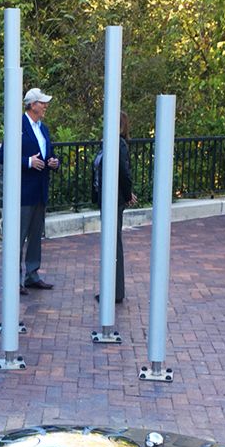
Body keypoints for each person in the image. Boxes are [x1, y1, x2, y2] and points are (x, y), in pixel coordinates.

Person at [0, 87, 60, 295]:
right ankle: (14, 280)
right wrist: (27, 162)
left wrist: (54, 162)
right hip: (23, 192)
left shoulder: (44, 129)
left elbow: (48, 154)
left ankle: (32, 275)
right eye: (42, 103)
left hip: (40, 191)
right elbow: (3, 157)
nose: (46, 106)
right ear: (32, 105)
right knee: (18, 237)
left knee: (35, 236)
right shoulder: (18, 126)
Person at [93, 110, 137, 304]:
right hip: (108, 199)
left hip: (114, 200)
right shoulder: (109, 143)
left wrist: (127, 195)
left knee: (113, 245)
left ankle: (115, 291)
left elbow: (124, 174)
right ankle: (112, 290)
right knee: (110, 243)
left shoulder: (118, 145)